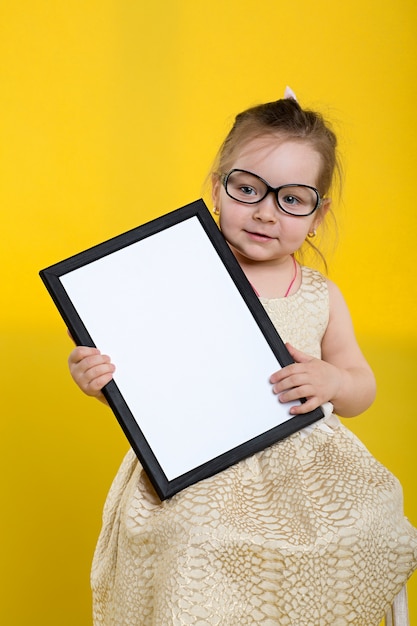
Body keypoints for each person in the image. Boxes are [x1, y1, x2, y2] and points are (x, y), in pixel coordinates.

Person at [68, 91, 417, 625]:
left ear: (318, 214)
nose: (264, 212)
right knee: (197, 543)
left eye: (291, 200)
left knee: (372, 524)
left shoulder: (319, 294)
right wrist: (99, 377)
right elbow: (149, 370)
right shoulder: (180, 275)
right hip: (196, 470)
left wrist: (331, 380)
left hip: (302, 474)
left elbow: (360, 387)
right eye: (248, 189)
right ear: (217, 188)